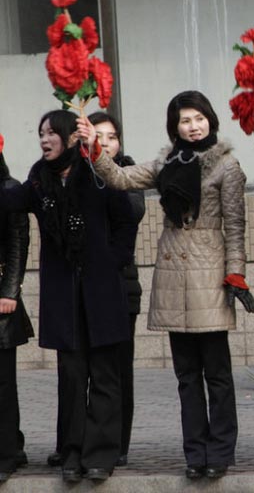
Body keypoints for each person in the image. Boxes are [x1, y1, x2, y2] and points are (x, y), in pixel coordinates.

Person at [75, 91, 254, 480]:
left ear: (210, 119)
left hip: (210, 270)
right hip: (172, 271)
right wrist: (95, 147)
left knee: (218, 374)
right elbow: (121, 178)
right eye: (184, 120)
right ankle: (195, 453)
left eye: (198, 118)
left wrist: (236, 271)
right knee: (186, 375)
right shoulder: (165, 162)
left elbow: (236, 226)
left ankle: (220, 451)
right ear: (174, 126)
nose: (193, 126)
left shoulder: (227, 166)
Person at [0, 110, 136, 483]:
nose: (44, 139)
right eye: (41, 133)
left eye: (51, 133)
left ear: (69, 136)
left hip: (101, 288)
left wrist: (114, 260)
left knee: (105, 374)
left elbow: (127, 218)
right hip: (63, 292)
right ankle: (72, 452)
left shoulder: (95, 172)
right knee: (72, 375)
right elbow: (10, 198)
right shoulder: (39, 179)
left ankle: (101, 454)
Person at [87, 111, 146, 467]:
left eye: (110, 137)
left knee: (119, 369)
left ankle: (118, 442)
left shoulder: (128, 173)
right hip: (82, 286)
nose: (104, 142)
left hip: (122, 286)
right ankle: (84, 439)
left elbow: (134, 210)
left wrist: (106, 171)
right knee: (85, 370)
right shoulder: (74, 172)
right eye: (97, 136)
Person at [0, 149, 32, 482]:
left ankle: (8, 451)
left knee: (3, 382)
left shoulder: (9, 189)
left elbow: (18, 242)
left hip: (0, 295)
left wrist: (10, 290)